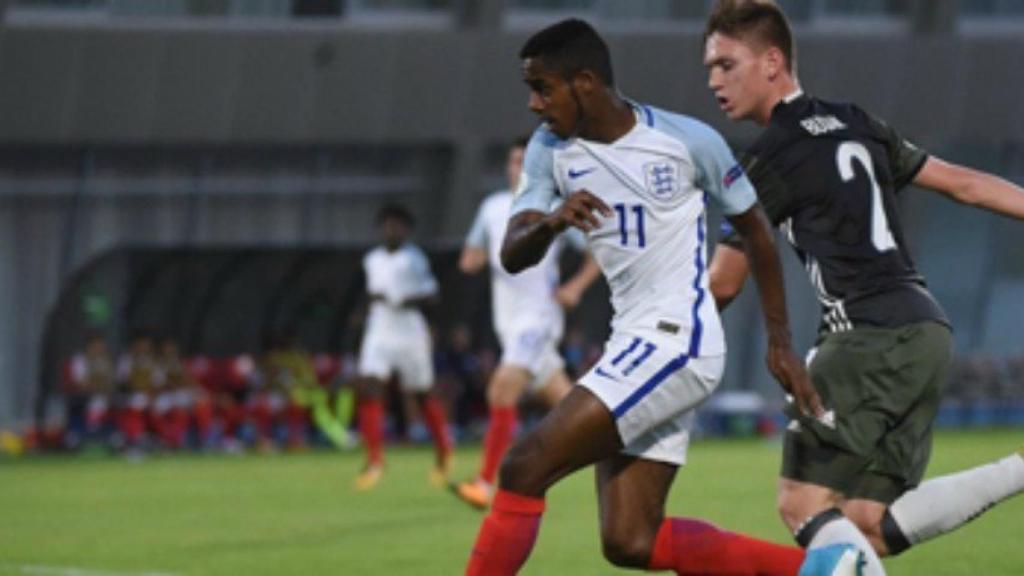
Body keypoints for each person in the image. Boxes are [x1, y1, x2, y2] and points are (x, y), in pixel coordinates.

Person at [465, 18, 822, 575]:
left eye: (543, 87)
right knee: (630, 540)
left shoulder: (686, 141)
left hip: (677, 339)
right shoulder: (548, 151)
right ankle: (821, 570)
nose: (534, 105)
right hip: (632, 341)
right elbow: (513, 252)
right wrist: (553, 223)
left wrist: (779, 341)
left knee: (523, 466)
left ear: (584, 83)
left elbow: (755, 229)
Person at [702, 1, 1024, 574]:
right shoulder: (856, 121)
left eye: (727, 64)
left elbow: (724, 284)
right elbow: (965, 185)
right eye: (710, 69)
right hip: (926, 330)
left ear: (772, 61)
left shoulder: (767, 158)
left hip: (862, 337)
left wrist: (659, 331)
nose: (714, 81)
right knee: (865, 522)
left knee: (801, 503)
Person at [452, 136, 602, 509]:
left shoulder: (553, 208)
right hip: (509, 321)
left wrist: (575, 288)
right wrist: (473, 259)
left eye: (523, 161)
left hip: (538, 317)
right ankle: (617, 455)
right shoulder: (492, 207)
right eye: (512, 161)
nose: (516, 168)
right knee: (571, 405)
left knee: (500, 391)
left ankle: (485, 483)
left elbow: (597, 254)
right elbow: (471, 256)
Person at [354, 203, 453, 491]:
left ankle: (444, 451)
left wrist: (404, 300)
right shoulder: (371, 259)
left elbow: (431, 297)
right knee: (370, 386)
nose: (391, 230)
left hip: (409, 330)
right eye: (387, 225)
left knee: (421, 394)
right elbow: (369, 292)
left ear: (406, 231)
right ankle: (374, 460)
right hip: (380, 329)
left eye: (397, 225)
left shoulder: (415, 259)